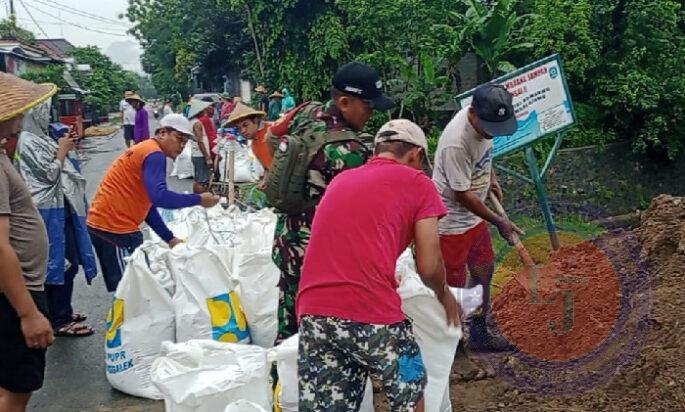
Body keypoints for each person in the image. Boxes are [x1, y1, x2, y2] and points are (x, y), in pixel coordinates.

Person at [297, 119, 461, 412]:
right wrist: (444, 295)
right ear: (416, 155)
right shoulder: (418, 183)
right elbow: (428, 264)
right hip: (370, 312)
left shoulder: (342, 180)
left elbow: (348, 245)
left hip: (313, 312)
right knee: (412, 385)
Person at [270, 61, 394, 345]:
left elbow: (272, 137)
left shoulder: (306, 111)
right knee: (318, 339)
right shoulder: (349, 152)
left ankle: (279, 381)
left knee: (288, 327)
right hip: (319, 258)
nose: (371, 113)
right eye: (368, 106)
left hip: (288, 241)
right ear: (345, 102)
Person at [86, 114, 220, 292]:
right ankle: (128, 319)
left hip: (114, 226)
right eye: (179, 138)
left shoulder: (147, 150)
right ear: (163, 133)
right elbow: (160, 197)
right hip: (113, 228)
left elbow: (148, 204)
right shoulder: (154, 154)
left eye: (186, 141)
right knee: (128, 289)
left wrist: (169, 238)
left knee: (139, 283)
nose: (182, 146)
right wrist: (199, 199)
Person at [432, 83, 521, 351]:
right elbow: (461, 194)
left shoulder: (487, 122)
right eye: (489, 127)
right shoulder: (455, 143)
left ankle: (480, 332)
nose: (493, 133)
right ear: (472, 114)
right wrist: (499, 220)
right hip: (451, 223)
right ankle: (451, 344)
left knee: (483, 269)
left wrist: (490, 178)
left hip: (475, 218)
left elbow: (484, 153)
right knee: (453, 284)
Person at [14, 103, 98, 338]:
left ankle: (60, 311)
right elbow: (50, 173)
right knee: (62, 262)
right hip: (48, 210)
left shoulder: (40, 137)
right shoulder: (27, 141)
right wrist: (61, 150)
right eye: (45, 111)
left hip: (61, 206)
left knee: (66, 260)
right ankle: (59, 318)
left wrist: (65, 145)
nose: (50, 116)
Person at [0, 72, 56, 412]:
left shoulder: (4, 156)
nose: (22, 118)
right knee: (16, 389)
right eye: (17, 112)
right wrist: (29, 313)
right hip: (15, 293)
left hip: (13, 290)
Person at [224, 102, 272, 170]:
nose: (243, 130)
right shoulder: (254, 144)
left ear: (255, 120)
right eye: (239, 128)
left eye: (245, 125)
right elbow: (267, 169)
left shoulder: (272, 131)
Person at [187, 99, 214, 193]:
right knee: (202, 181)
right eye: (203, 110)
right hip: (200, 155)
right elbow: (200, 141)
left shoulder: (192, 122)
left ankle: (197, 199)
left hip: (196, 154)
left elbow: (193, 138)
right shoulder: (197, 124)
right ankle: (201, 200)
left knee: (198, 179)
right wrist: (207, 157)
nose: (205, 111)